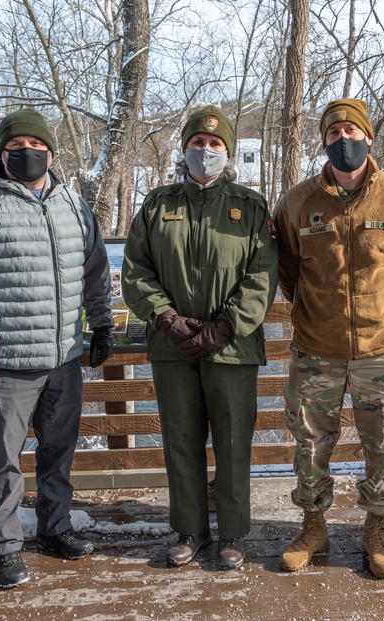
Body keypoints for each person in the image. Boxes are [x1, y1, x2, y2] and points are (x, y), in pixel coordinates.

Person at [0, 109, 114, 589]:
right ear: (0, 153)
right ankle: (6, 547)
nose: (27, 153)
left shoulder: (74, 205)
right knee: (4, 462)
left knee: (58, 453)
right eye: (15, 147)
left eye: (36, 146)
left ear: (51, 153)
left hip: (63, 359)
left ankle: (55, 528)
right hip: (7, 365)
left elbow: (95, 270)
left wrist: (100, 323)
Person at [273, 98, 384, 578]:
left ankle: (375, 531)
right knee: (310, 441)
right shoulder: (298, 202)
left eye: (352, 130)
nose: (344, 139)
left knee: (383, 442)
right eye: (334, 131)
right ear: (323, 140)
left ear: (369, 137)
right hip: (316, 348)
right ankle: (313, 524)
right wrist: (316, 312)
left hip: (380, 348)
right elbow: (287, 270)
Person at [122, 105, 278, 571]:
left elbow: (264, 273)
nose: (205, 150)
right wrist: (166, 318)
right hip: (173, 346)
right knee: (181, 439)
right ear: (184, 148)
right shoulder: (157, 205)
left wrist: (226, 325)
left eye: (215, 144)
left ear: (227, 152)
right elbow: (135, 270)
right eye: (197, 143)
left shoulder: (250, 208)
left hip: (232, 347)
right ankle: (189, 529)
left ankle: (232, 532)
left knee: (233, 442)